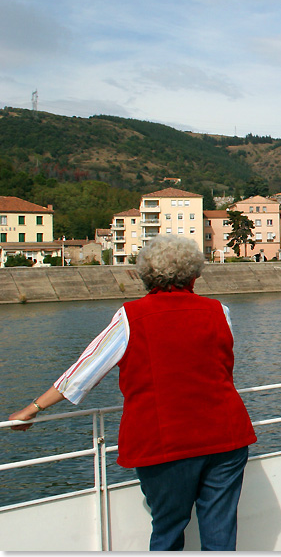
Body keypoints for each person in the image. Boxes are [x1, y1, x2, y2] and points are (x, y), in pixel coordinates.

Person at [8, 235, 257, 551]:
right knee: (220, 533)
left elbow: (85, 371)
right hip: (226, 436)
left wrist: (34, 407)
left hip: (165, 442)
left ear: (146, 274)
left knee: (167, 529)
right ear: (194, 274)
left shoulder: (132, 316)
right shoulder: (219, 311)